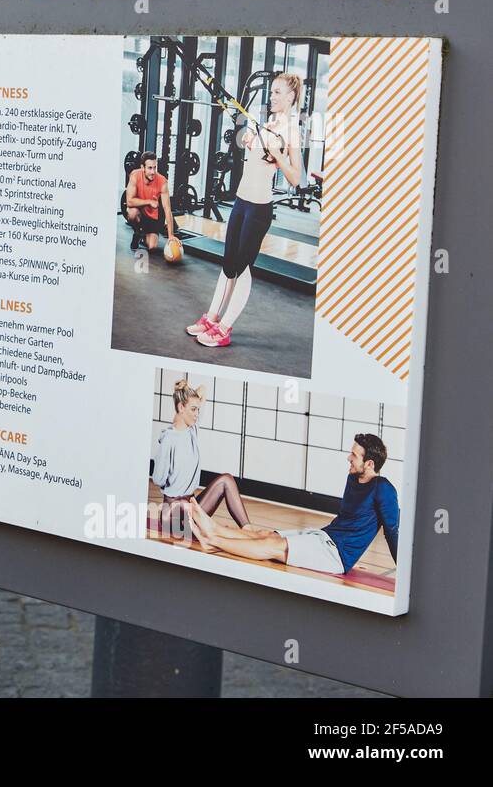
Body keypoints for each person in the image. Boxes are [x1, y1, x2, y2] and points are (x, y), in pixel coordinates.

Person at [187, 73, 303, 348]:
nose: (272, 96)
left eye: (277, 92)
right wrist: (250, 141)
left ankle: (224, 328)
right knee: (228, 264)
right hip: (240, 201)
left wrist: (277, 156)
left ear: (290, 97)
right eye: (272, 92)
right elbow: (252, 154)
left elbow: (296, 178)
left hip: (259, 207)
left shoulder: (292, 131)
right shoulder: (269, 123)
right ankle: (212, 316)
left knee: (242, 268)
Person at [187, 433, 399, 577]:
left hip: (335, 555)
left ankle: (212, 540)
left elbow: (392, 532)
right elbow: (348, 522)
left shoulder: (384, 490)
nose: (348, 458)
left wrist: (348, 559)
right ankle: (213, 528)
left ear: (369, 464)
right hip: (325, 538)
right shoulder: (353, 478)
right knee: (267, 535)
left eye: (354, 455)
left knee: (274, 548)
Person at [153, 378, 251, 538]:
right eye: (193, 409)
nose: (197, 414)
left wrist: (186, 395)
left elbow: (203, 389)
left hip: (192, 506)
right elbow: (158, 479)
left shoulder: (192, 430)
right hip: (174, 515)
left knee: (226, 480)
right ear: (181, 407)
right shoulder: (168, 439)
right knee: (191, 510)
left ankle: (249, 531)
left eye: (198, 409)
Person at [124, 153, 178, 255]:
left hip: (154, 215)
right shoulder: (135, 176)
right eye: (149, 168)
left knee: (152, 247)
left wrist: (171, 235)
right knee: (132, 213)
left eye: (154, 168)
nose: (153, 172)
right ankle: (137, 232)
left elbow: (167, 208)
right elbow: (130, 201)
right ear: (142, 167)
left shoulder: (162, 182)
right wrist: (149, 201)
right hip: (140, 211)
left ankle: (143, 236)